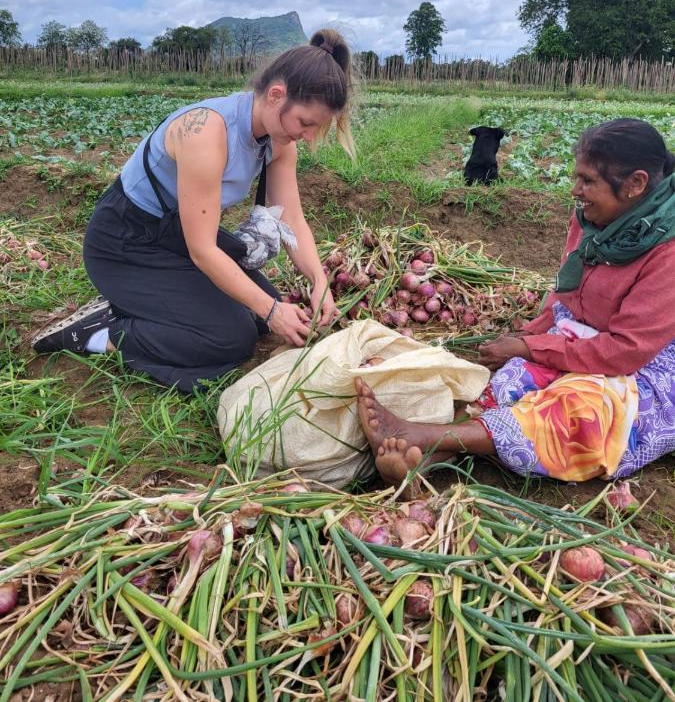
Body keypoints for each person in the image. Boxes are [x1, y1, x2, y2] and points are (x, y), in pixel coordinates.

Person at [356, 118, 675, 486]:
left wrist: (531, 345)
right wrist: (529, 339)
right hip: (585, 342)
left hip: (647, 368)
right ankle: (427, 460)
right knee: (514, 377)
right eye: (576, 178)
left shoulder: (666, 250)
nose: (576, 190)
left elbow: (626, 350)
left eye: (588, 181)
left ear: (635, 184)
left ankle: (427, 436)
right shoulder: (592, 220)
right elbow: (565, 294)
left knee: (580, 410)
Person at [32, 29, 354, 392]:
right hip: (126, 242)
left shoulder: (279, 141)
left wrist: (319, 280)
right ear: (277, 96)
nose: (309, 136)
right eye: (306, 123)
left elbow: (291, 218)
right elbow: (203, 251)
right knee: (229, 337)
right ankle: (97, 333)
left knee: (257, 315)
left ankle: (138, 305)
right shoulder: (206, 131)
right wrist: (272, 310)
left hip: (175, 237)